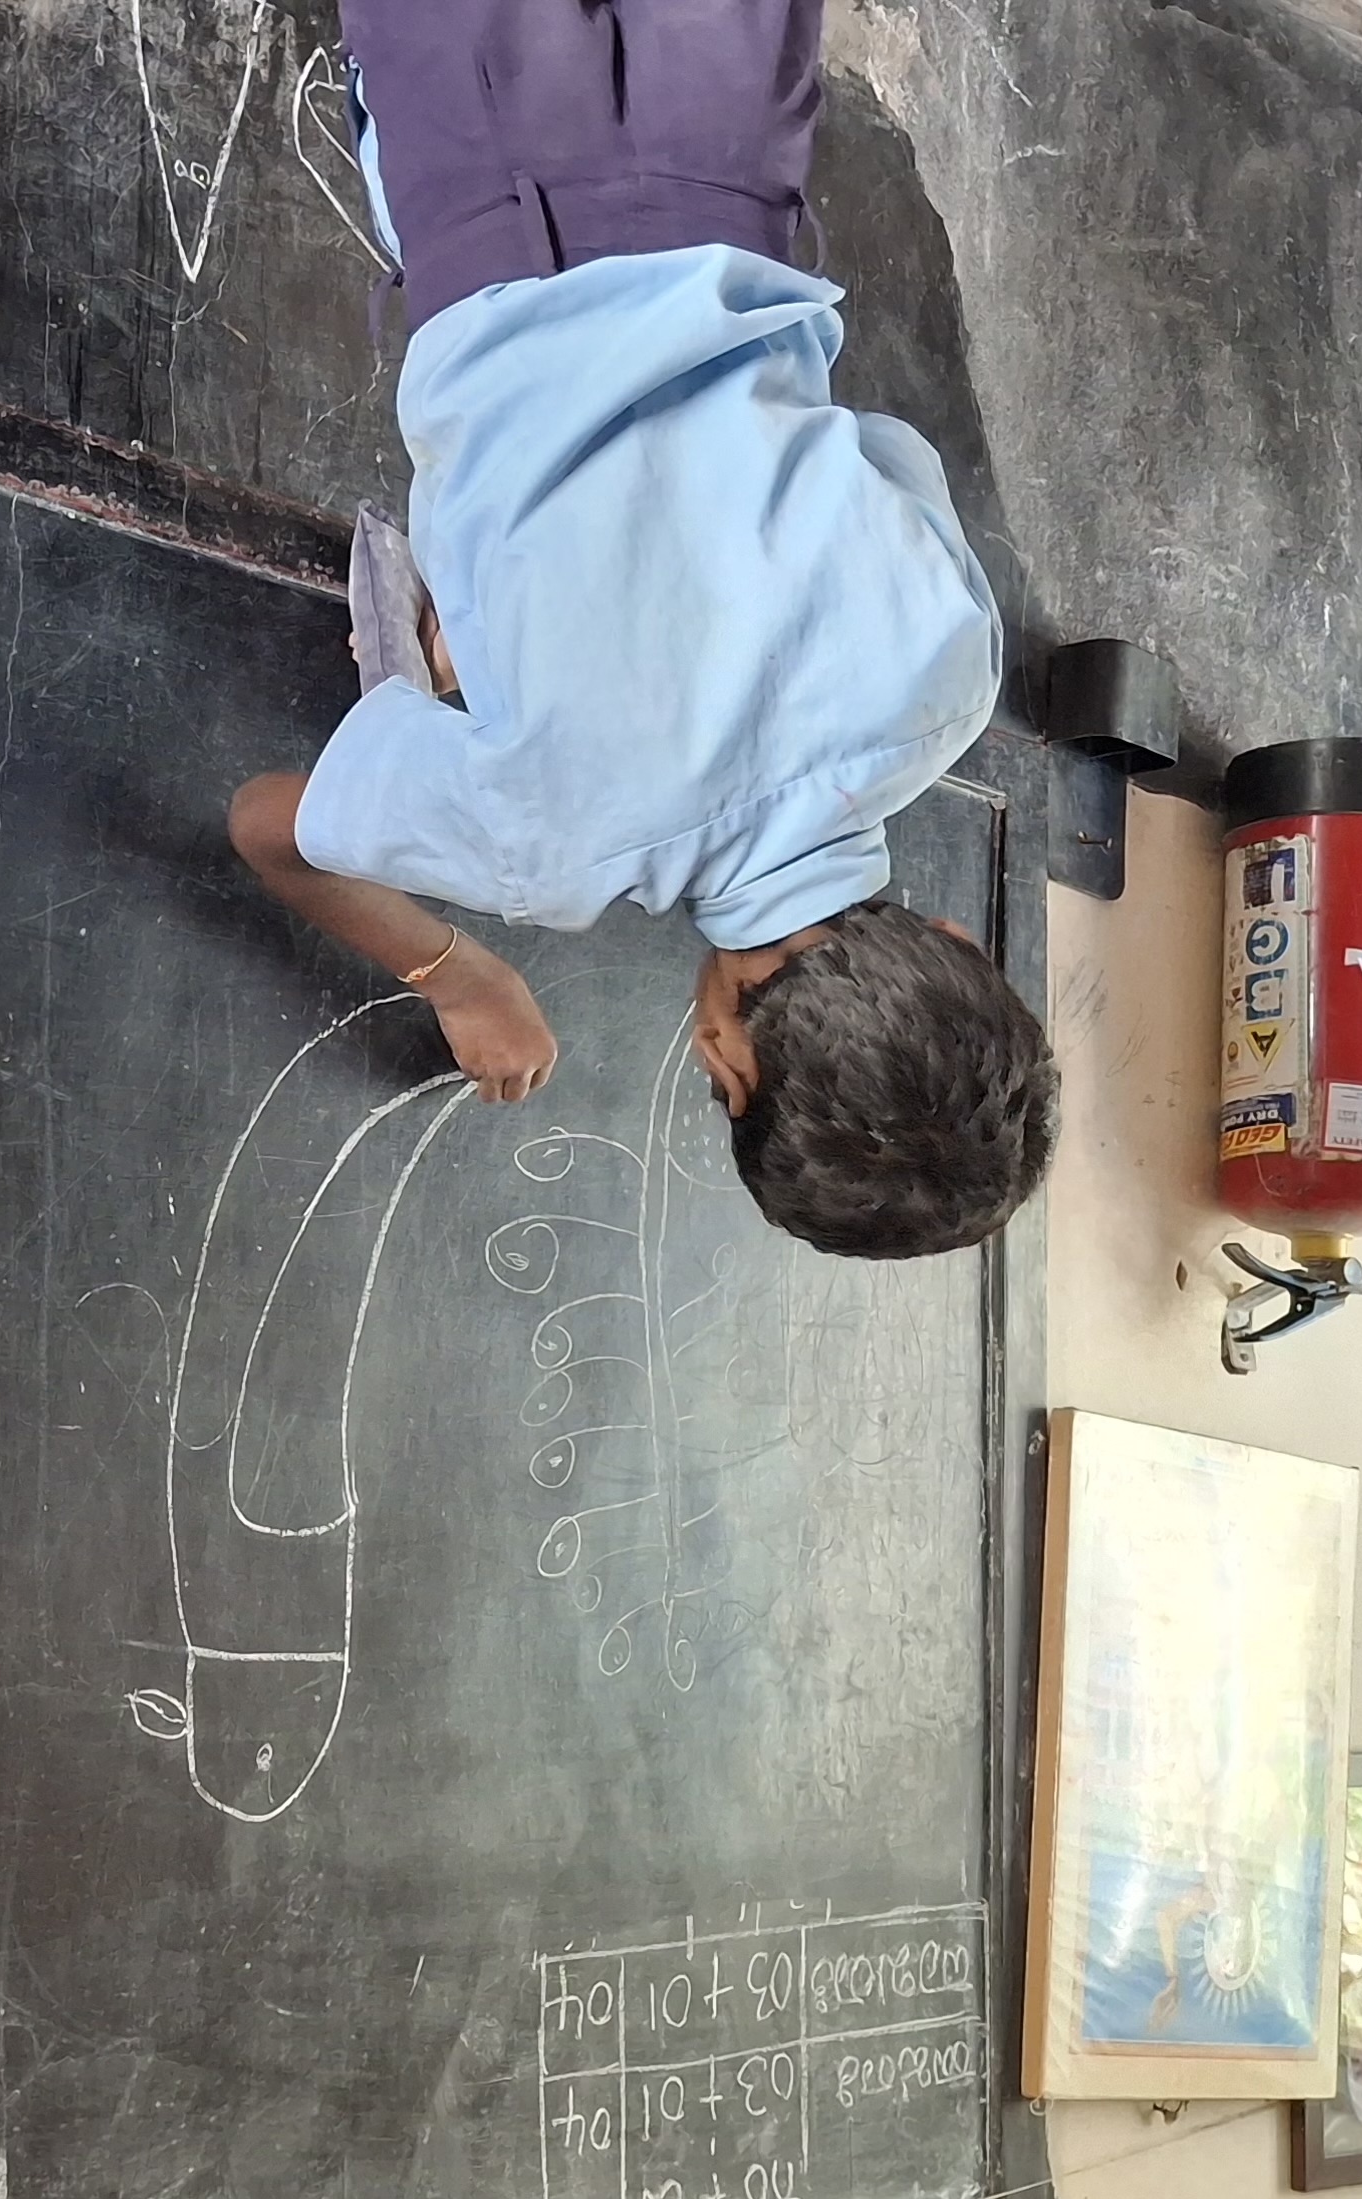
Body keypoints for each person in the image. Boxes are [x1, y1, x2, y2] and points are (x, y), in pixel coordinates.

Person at [224, 0, 1057, 1261]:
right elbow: (271, 830)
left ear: (955, 943)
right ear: (726, 1060)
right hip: (490, 185)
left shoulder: (949, 679)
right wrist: (459, 975)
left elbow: (876, 455)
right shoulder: (544, 846)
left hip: (723, 153)